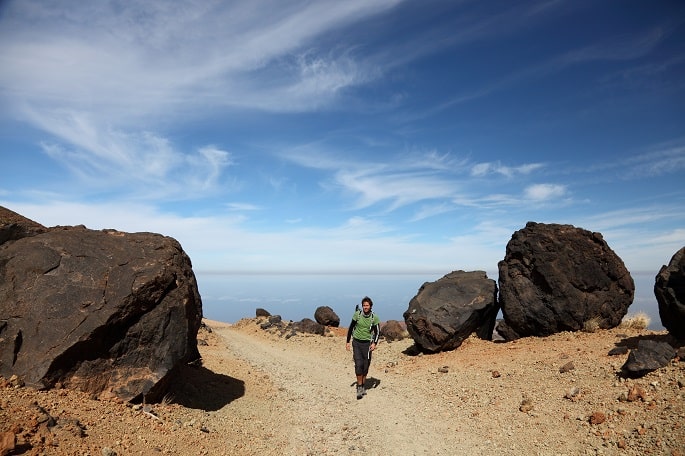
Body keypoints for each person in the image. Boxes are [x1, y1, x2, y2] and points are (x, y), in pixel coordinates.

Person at [345, 296, 380, 400]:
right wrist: (347, 341)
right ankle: (359, 387)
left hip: (367, 344)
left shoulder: (374, 317)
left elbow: (378, 331)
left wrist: (374, 343)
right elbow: (351, 327)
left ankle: (363, 385)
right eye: (364, 305)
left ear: (370, 306)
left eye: (367, 305)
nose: (365, 307)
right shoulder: (358, 315)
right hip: (356, 342)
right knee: (358, 364)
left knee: (365, 366)